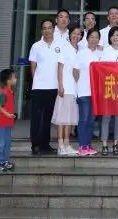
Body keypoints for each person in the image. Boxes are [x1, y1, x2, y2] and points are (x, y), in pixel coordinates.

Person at [29, 19, 63, 156]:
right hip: (39, 87)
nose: (47, 30)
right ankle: (35, 145)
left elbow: (62, 65)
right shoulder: (36, 46)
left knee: (48, 118)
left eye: (49, 28)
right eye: (44, 28)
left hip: (54, 87)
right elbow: (33, 66)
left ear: (53, 29)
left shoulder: (60, 45)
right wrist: (36, 81)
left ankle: (45, 145)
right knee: (37, 117)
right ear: (41, 30)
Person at [52, 25, 81, 156]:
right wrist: (60, 86)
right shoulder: (65, 48)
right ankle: (60, 145)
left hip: (75, 89)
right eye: (74, 33)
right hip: (65, 88)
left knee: (69, 118)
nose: (76, 36)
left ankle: (67, 144)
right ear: (70, 35)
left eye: (79, 34)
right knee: (62, 118)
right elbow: (60, 68)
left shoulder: (79, 50)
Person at [100, 26, 118, 156]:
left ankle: (116, 143)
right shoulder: (105, 51)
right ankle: (104, 144)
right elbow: (101, 69)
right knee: (106, 116)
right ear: (109, 37)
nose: (115, 37)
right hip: (108, 87)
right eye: (113, 35)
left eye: (117, 35)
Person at [75, 27, 101, 156]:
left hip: (95, 93)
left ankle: (88, 145)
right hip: (83, 91)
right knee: (84, 119)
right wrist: (79, 86)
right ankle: (82, 145)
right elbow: (75, 71)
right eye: (92, 37)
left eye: (96, 37)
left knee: (91, 120)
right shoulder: (81, 53)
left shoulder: (100, 54)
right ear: (87, 38)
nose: (94, 39)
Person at [0, 68, 17, 172]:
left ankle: (5, 161)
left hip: (7, 123)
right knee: (2, 143)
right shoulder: (5, 93)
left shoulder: (10, 92)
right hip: (1, 124)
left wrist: (11, 116)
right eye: (14, 77)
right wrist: (8, 115)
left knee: (7, 143)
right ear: (8, 80)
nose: (16, 79)